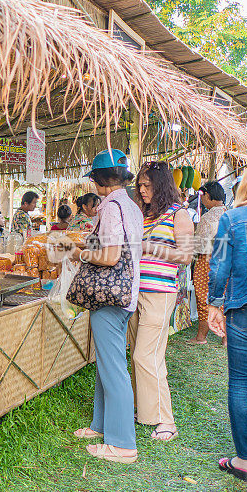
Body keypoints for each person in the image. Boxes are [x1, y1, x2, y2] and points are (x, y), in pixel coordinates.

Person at [70, 149, 143, 463]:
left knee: (114, 369)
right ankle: (101, 425)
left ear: (100, 178)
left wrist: (78, 254)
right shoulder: (130, 205)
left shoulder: (111, 207)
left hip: (110, 297)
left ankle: (123, 443)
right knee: (107, 363)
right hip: (125, 295)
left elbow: (111, 256)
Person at [208, 161, 247, 481]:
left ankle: (246, 460)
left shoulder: (232, 218)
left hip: (244, 308)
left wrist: (214, 306)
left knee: (240, 382)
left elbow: (219, 267)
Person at [128, 160, 194, 442]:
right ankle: (141, 409)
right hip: (132, 291)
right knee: (136, 353)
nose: (141, 189)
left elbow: (186, 255)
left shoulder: (179, 214)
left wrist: (149, 247)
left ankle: (166, 420)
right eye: (139, 185)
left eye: (147, 185)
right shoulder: (144, 214)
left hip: (159, 292)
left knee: (148, 356)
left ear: (162, 185)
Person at [191, 181, 227, 345]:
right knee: (226, 299)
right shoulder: (230, 214)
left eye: (202, 196)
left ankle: (201, 337)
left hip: (207, 261)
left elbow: (200, 246)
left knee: (203, 297)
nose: (202, 200)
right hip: (227, 262)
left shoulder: (208, 217)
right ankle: (227, 339)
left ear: (207, 195)